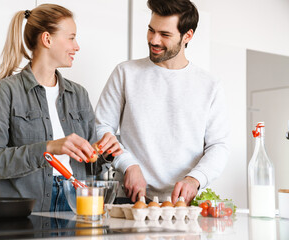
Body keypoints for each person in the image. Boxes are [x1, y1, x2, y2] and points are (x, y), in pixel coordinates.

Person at [0, 4, 122, 212]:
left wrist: (106, 154)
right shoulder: (5, 92)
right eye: (71, 37)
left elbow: (90, 167)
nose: (77, 46)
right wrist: (48, 148)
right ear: (47, 39)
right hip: (25, 209)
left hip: (74, 203)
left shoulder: (79, 95)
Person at [95, 0, 230, 205]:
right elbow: (101, 127)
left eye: (165, 35)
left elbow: (218, 146)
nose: (154, 40)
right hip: (129, 198)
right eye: (151, 30)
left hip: (185, 204)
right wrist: (128, 164)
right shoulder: (125, 73)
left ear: (188, 36)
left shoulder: (210, 85)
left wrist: (195, 179)